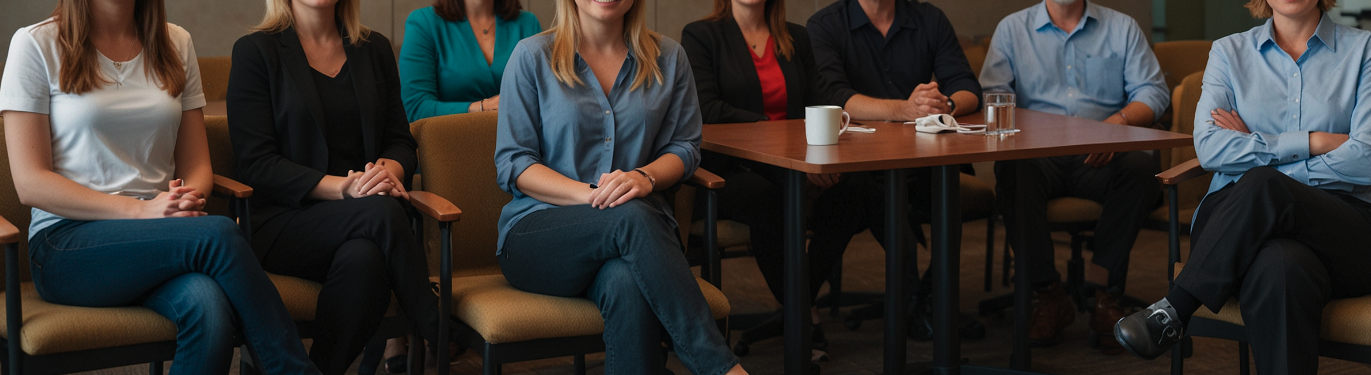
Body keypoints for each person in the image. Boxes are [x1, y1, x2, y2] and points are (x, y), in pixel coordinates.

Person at [0, 0, 320, 374]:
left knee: (210, 309)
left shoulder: (176, 42)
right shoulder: (35, 44)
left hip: (162, 235)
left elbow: (197, 164)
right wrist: (142, 210)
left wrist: (187, 199)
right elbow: (30, 183)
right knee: (217, 232)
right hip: (66, 244)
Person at [1116, 0, 1371, 373]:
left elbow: (1365, 157)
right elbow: (1210, 147)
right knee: (1281, 266)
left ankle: (1176, 308)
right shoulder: (1229, 52)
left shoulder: (1364, 51)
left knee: (1264, 183)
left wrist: (1257, 151)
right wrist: (1313, 141)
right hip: (1237, 222)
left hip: (1343, 226)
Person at [494, 0, 746, 373]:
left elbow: (685, 148)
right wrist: (594, 196)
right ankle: (721, 368)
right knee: (628, 215)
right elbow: (514, 163)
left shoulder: (670, 58)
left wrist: (645, 177)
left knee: (626, 283)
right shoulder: (532, 56)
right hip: (539, 235)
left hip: (636, 242)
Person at [226, 0, 445, 373]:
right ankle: (437, 328)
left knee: (365, 262)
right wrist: (345, 188)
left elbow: (400, 141)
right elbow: (256, 164)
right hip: (283, 222)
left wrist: (386, 172)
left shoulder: (374, 48)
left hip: (368, 225)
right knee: (382, 211)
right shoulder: (255, 51)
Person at [978, 0, 1169, 353]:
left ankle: (1104, 295)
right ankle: (1048, 294)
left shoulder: (1122, 28)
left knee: (1142, 168)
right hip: (1035, 156)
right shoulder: (1012, 29)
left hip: (1100, 155)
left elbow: (1154, 92)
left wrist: (1118, 124)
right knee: (1013, 170)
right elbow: (992, 96)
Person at [803, 0, 981, 333]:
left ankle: (929, 295)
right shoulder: (825, 24)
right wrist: (905, 109)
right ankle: (912, 300)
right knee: (871, 194)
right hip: (859, 165)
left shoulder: (929, 18)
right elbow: (836, 95)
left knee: (948, 188)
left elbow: (968, 87)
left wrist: (944, 105)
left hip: (923, 160)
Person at [680, 0, 825, 355]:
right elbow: (707, 107)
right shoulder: (701, 35)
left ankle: (799, 302)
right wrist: (773, 133)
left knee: (855, 192)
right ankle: (804, 314)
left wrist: (821, 156)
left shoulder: (797, 37)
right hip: (727, 172)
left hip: (795, 164)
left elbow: (818, 102)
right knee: (771, 199)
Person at [398, 0, 541, 122]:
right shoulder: (424, 23)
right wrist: (482, 107)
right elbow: (416, 108)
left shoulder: (528, 23)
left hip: (520, 144)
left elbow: (543, 99)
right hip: (447, 144)